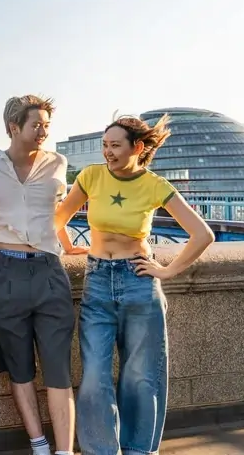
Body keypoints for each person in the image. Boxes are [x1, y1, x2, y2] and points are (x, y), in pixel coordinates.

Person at [55, 115, 214, 455]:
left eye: (115, 145)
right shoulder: (91, 176)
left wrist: (168, 271)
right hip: (97, 281)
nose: (107, 152)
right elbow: (59, 216)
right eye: (105, 145)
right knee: (95, 377)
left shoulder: (155, 184)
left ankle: (140, 450)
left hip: (139, 284)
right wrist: (68, 247)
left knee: (142, 377)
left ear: (137, 148)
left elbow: (202, 235)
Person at [0, 95, 87, 455]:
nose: (43, 132)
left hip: (50, 271)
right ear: (13, 127)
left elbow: (56, 212)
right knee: (19, 369)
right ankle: (39, 445)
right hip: (4, 270)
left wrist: (68, 242)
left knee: (58, 370)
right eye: (36, 124)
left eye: (47, 125)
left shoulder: (57, 163)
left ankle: (64, 452)